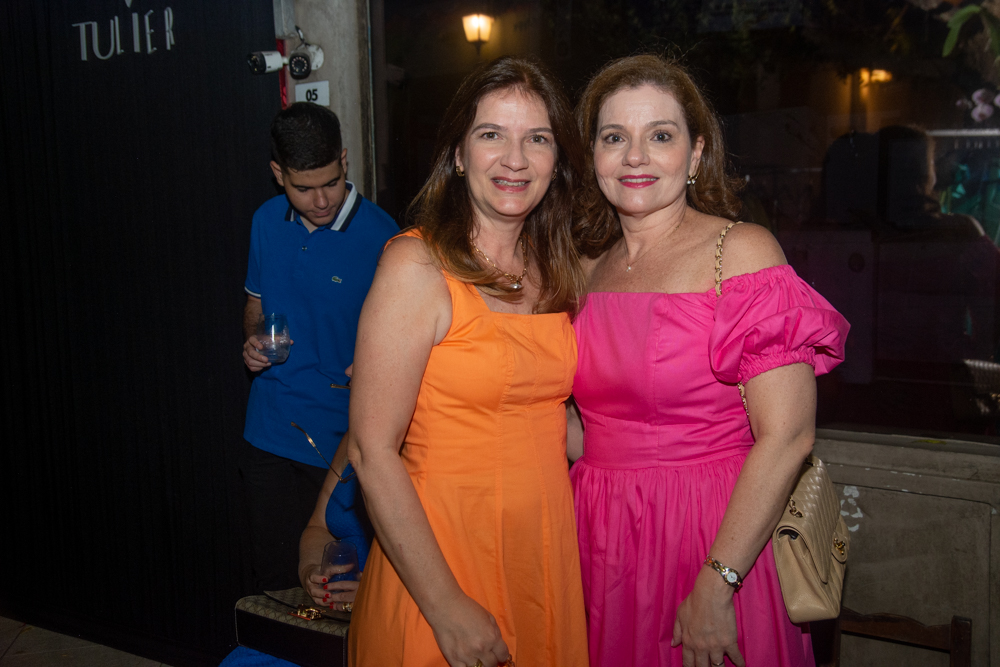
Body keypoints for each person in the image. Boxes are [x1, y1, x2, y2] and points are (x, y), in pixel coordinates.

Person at [568, 55, 849, 667]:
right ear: (592, 157)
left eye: (660, 136)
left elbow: (789, 436)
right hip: (601, 538)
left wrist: (718, 582)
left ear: (695, 154)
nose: (635, 156)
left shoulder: (741, 251)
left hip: (711, 537)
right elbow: (583, 427)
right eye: (614, 137)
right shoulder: (584, 269)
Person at [345, 56, 589, 667]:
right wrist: (446, 606)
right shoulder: (416, 266)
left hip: (542, 557)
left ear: (557, 159)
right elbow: (371, 452)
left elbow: (556, 422)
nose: (516, 159)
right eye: (492, 135)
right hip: (441, 560)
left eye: (537, 139)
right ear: (458, 154)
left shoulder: (558, 270)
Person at [241, 102, 398, 592]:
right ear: (278, 174)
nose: (321, 200)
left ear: (344, 161)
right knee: (275, 583)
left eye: (330, 182)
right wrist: (253, 339)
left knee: (341, 591)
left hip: (340, 442)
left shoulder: (386, 239)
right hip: (268, 431)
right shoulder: (266, 221)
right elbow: (255, 304)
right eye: (303, 188)